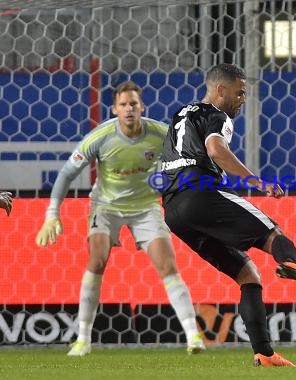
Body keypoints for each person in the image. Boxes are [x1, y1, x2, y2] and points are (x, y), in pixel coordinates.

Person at [160, 63, 296, 367]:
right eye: (239, 93)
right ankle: (288, 263)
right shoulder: (217, 115)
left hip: (173, 210)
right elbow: (215, 150)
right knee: (274, 235)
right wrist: (257, 181)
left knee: (248, 275)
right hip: (201, 192)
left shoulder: (182, 113)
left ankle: (264, 353)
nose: (242, 99)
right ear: (220, 90)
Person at [35, 81, 205, 357]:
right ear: (114, 109)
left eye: (134, 104)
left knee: (168, 265)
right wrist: (51, 215)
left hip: (146, 207)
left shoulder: (160, 134)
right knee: (96, 261)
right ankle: (83, 338)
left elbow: (190, 156)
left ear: (142, 107)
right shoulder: (100, 137)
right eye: (123, 105)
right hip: (106, 207)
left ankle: (193, 335)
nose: (129, 109)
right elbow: (66, 174)